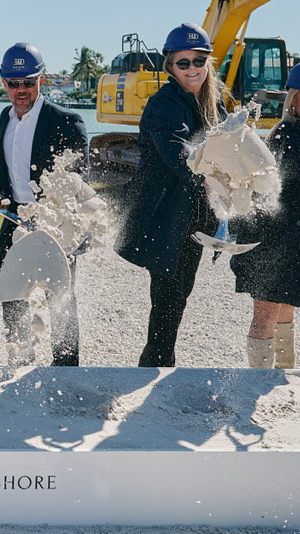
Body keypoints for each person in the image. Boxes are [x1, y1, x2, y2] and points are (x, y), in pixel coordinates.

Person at [114, 23, 225, 368]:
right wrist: (213, 177)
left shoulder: (214, 106)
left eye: (199, 61)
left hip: (193, 218)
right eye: (183, 63)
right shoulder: (163, 105)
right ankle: (157, 367)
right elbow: (178, 153)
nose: (192, 68)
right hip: (164, 218)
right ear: (170, 66)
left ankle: (157, 365)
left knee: (177, 300)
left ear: (208, 63)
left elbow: (230, 148)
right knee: (167, 301)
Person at [231, 59, 300, 369]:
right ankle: (258, 379)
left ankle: (283, 374)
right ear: (293, 99)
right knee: (266, 312)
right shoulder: (287, 132)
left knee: (288, 306)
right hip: (272, 236)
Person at [0, 42, 90, 366]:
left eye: (28, 82)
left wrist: (57, 218)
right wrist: (1, 196)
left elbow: (77, 183)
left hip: (55, 225)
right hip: (14, 219)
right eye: (14, 83)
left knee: (61, 301)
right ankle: (19, 361)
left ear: (41, 80)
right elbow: (9, 174)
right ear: (4, 82)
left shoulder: (67, 122)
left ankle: (66, 370)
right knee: (11, 296)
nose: (21, 90)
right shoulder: (5, 118)